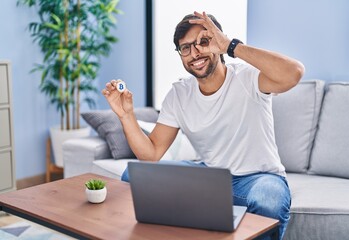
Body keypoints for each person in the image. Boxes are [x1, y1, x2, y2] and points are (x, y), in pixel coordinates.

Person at [102, 11, 305, 239]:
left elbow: (294, 73)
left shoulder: (249, 78)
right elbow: (150, 155)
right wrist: (126, 115)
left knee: (268, 200)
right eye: (185, 48)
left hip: (259, 179)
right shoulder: (179, 94)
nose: (194, 53)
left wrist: (230, 45)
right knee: (133, 175)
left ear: (217, 43)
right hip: (211, 178)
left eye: (203, 42)